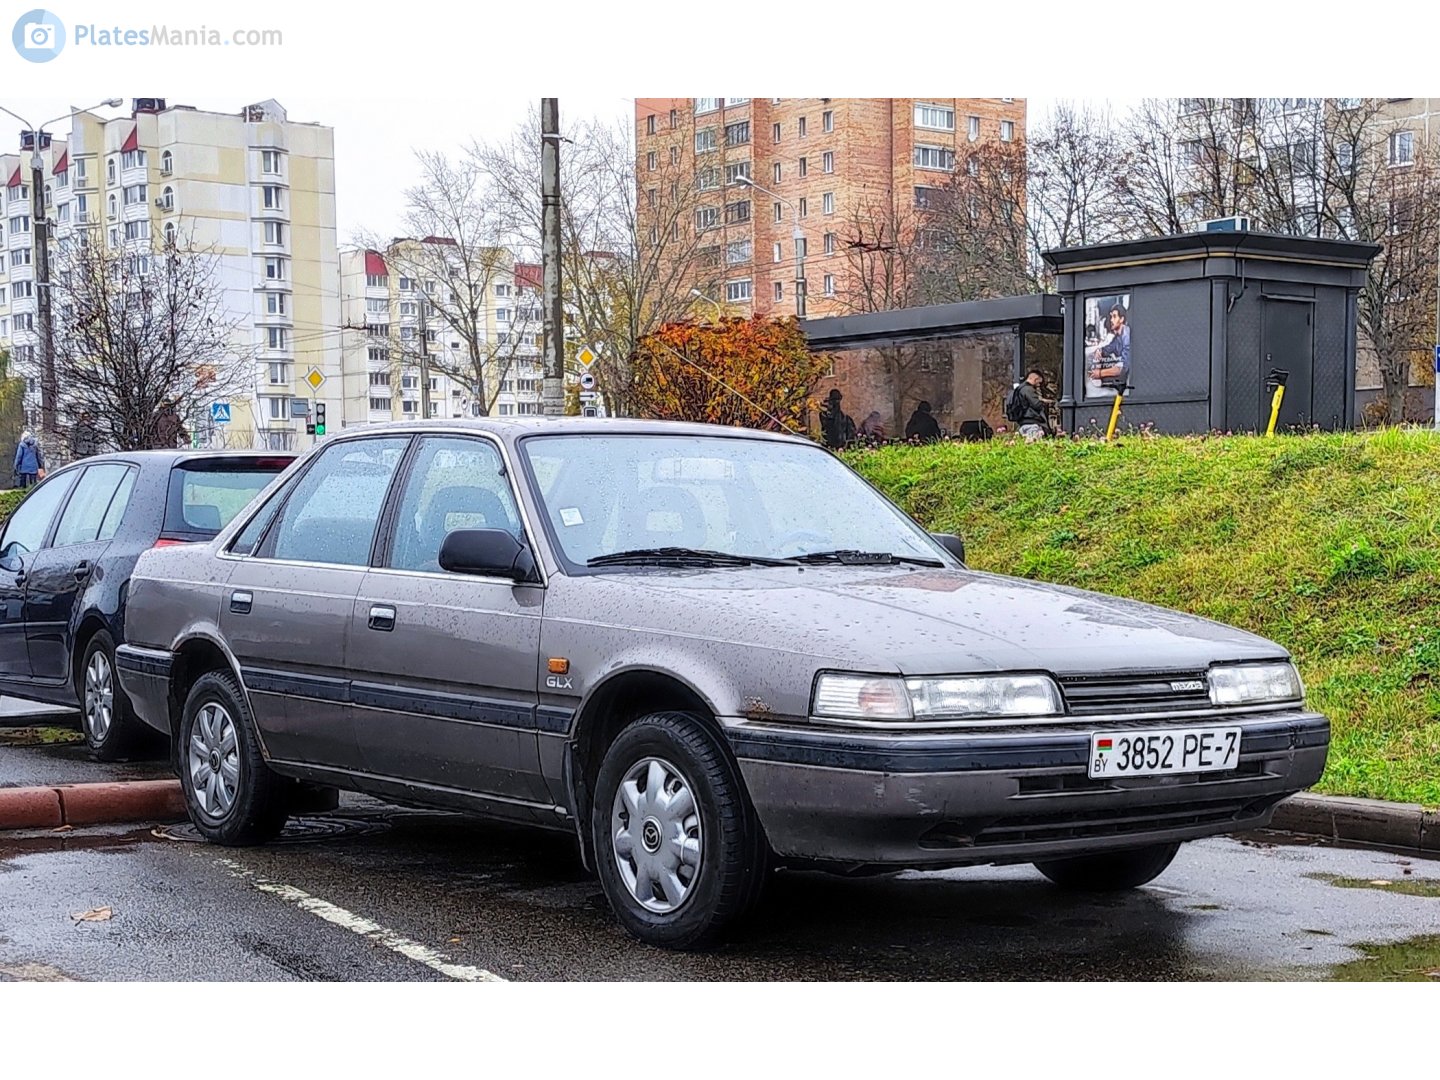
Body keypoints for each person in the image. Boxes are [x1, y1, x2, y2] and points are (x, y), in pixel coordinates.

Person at [1087, 303, 1131, 392]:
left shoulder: (1127, 336)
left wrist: (1099, 373)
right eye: (1111, 317)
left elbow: (1122, 369)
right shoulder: (1118, 338)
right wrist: (1100, 351)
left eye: (1114, 317)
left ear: (1122, 319)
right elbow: (1108, 348)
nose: (1111, 320)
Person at [1015, 370, 1053, 442]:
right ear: (1035, 379)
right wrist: (1044, 403)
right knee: (1033, 444)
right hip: (1032, 424)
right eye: (1038, 382)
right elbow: (1036, 404)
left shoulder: (1020, 389)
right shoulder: (1028, 389)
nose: (1038, 385)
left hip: (1023, 423)